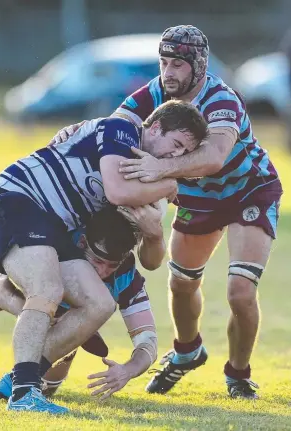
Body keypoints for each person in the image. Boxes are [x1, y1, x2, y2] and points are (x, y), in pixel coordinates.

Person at [50, 25, 283, 399]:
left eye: (177, 63)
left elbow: (214, 156)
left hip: (247, 191)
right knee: (181, 283)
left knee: (240, 291)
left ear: (199, 66)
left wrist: (160, 169)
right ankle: (187, 352)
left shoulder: (221, 99)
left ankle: (238, 374)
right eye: (164, 62)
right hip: (195, 197)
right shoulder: (155, 93)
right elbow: (115, 127)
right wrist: (78, 131)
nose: (168, 71)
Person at [0, 100, 208, 413]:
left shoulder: (143, 173)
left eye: (184, 154)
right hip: (16, 200)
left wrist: (155, 226)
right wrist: (169, 181)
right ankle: (25, 394)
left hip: (53, 227)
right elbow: (115, 191)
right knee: (45, 290)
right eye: (176, 144)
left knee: (100, 304)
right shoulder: (122, 129)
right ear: (153, 127)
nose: (176, 157)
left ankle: (20, 380)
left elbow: (150, 260)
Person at [0, 203, 164, 400]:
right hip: (16, 280)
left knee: (45, 387)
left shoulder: (127, 277)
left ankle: (70, 338)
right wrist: (36, 317)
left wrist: (127, 370)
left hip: (60, 319)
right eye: (98, 261)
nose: (102, 272)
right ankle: (69, 326)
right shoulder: (55, 247)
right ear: (82, 242)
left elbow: (148, 343)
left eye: (112, 265)